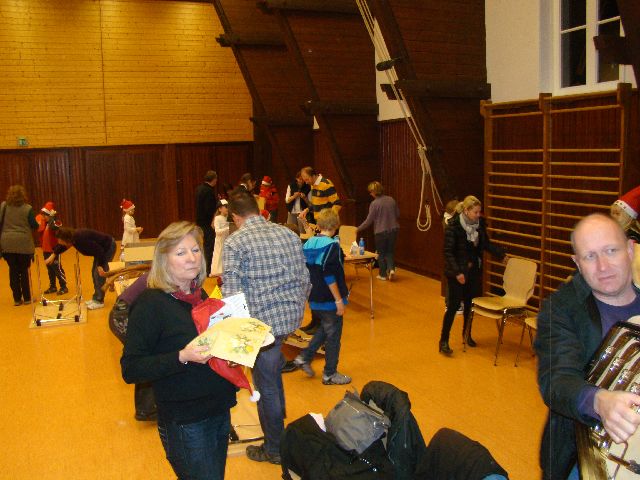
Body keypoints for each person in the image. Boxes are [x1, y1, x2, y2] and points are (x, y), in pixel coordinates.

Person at [121, 221, 237, 480]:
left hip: (218, 408)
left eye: (195, 250)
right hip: (186, 419)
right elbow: (131, 368)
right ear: (164, 260)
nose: (192, 258)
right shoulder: (150, 304)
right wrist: (182, 356)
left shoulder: (199, 295)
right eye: (181, 252)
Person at [534, 213, 640, 480]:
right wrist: (599, 401)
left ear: (630, 250)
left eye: (611, 251)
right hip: (583, 455)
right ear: (577, 263)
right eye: (590, 256)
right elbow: (556, 380)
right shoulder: (560, 309)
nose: (603, 266)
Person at [223, 187, 310, 465]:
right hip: (290, 319)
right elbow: (305, 279)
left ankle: (274, 449)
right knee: (272, 374)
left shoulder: (236, 242)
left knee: (266, 386)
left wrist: (234, 341)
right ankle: (279, 434)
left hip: (261, 328)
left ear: (235, 217)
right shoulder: (288, 233)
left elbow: (232, 295)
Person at [438, 196, 505, 355]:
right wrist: (457, 272)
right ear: (466, 211)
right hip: (456, 272)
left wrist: (501, 254)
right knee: (453, 306)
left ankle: (466, 334)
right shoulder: (453, 226)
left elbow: (485, 244)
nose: (478, 215)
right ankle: (444, 340)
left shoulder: (479, 225)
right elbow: (448, 253)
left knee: (469, 304)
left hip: (473, 271)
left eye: (479, 212)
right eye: (475, 212)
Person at [294, 209, 351, 385]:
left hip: (314, 297)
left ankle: (304, 357)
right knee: (333, 337)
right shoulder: (332, 246)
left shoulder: (309, 243)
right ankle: (330, 374)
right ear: (336, 226)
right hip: (329, 299)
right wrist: (338, 300)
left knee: (325, 329)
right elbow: (329, 275)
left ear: (319, 225)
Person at [50, 227, 116, 310]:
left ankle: (99, 301)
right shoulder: (73, 239)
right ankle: (96, 298)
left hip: (108, 247)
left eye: (61, 240)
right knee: (94, 273)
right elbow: (63, 246)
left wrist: (100, 265)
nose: (59, 242)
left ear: (66, 239)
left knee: (98, 274)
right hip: (100, 250)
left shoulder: (81, 239)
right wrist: (53, 255)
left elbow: (99, 250)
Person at [0, 185, 38, 306]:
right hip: (23, 243)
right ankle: (27, 298)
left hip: (7, 243)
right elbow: (34, 225)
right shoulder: (28, 208)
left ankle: (17, 299)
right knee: (24, 271)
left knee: (13, 270)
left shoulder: (3, 206)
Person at [356, 181, 400, 281]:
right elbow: (398, 214)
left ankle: (383, 274)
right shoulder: (391, 199)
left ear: (374, 192)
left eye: (371, 192)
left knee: (381, 253)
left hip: (381, 232)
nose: (370, 194)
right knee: (390, 252)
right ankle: (391, 269)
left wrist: (358, 229)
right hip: (394, 230)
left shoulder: (374, 204)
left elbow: (369, 220)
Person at [36, 201, 67, 295]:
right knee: (50, 269)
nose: (43, 217)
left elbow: (55, 228)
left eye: (45, 215)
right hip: (46, 250)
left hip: (54, 250)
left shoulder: (56, 222)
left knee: (57, 269)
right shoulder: (45, 224)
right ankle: (53, 286)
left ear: (50, 215)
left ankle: (63, 286)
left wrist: (52, 218)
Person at [195, 170, 218, 276]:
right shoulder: (209, 191)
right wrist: (214, 216)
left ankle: (200, 268)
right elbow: (209, 209)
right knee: (209, 246)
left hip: (199, 221)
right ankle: (207, 270)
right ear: (214, 179)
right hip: (208, 223)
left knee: (202, 246)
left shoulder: (199, 188)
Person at [209, 199, 229, 277]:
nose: (227, 208)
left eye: (228, 206)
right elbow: (217, 231)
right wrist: (228, 228)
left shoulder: (228, 218)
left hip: (226, 240)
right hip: (220, 241)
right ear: (220, 209)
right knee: (219, 255)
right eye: (225, 207)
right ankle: (217, 272)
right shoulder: (217, 218)